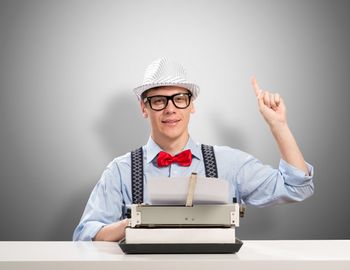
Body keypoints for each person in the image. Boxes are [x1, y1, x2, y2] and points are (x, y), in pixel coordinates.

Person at [73, 57, 314, 241]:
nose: (170, 109)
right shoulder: (121, 170)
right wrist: (133, 223)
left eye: (179, 98)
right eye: (158, 100)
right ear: (144, 108)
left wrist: (279, 126)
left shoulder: (227, 163)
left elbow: (296, 187)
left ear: (192, 106)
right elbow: (85, 233)